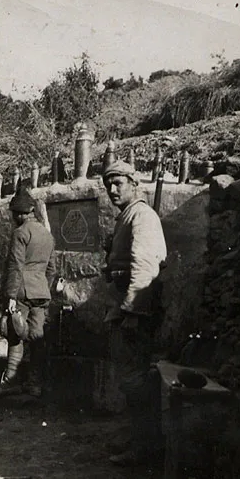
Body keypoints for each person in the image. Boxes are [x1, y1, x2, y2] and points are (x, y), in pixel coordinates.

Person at [101, 159, 167, 461]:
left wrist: (131, 312)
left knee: (135, 380)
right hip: (126, 308)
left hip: (135, 313)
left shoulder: (141, 216)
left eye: (118, 183)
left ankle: (144, 448)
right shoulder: (127, 217)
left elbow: (144, 266)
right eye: (108, 185)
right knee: (130, 379)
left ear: (134, 184)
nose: (112, 189)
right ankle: (136, 439)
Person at [0, 189, 56, 397]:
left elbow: (15, 266)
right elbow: (52, 268)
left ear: (20, 214)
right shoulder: (47, 235)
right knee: (36, 337)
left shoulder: (20, 233)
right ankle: (34, 384)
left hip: (22, 290)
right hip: (41, 290)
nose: (14, 217)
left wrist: (10, 296)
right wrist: (43, 285)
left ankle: (10, 382)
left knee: (15, 336)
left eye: (15, 213)